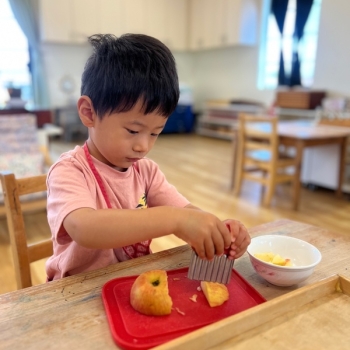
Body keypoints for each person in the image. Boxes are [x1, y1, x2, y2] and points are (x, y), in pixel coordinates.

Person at [46, 33, 250, 280]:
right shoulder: (69, 171)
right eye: (133, 131)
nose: (143, 146)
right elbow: (84, 228)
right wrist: (175, 219)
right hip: (77, 293)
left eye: (155, 132)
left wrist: (217, 230)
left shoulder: (146, 172)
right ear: (89, 113)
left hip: (131, 282)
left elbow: (186, 213)